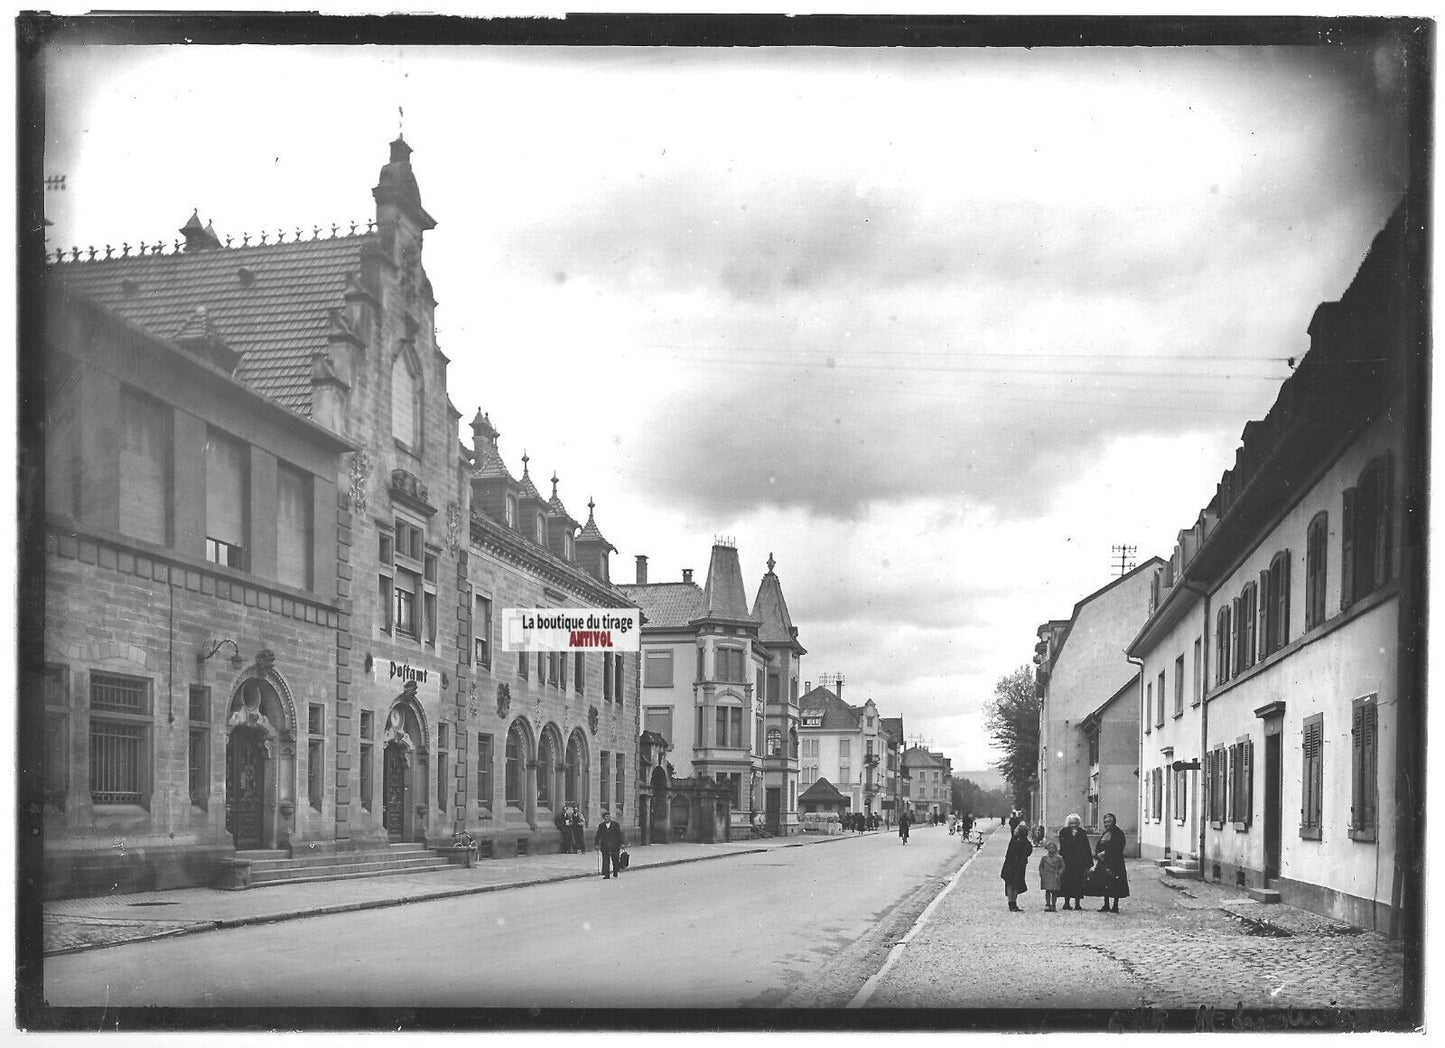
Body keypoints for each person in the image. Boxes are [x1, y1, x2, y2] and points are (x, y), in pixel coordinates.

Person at [1086, 812, 1130, 913]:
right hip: (1103, 862)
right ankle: (1106, 905)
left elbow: (1118, 847)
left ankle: (1115, 905)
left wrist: (1105, 853)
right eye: (1105, 822)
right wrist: (1097, 854)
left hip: (1115, 862)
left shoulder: (1118, 833)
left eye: (1109, 821)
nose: (1107, 824)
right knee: (1104, 883)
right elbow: (1098, 845)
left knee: (1116, 883)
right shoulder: (1105, 833)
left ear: (1114, 821)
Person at [1058, 813, 1092, 911]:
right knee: (1066, 882)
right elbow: (1063, 846)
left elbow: (1086, 847)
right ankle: (1066, 903)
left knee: (1079, 882)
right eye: (1071, 823)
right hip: (1067, 860)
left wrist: (1089, 863)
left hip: (1079, 862)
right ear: (1068, 823)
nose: (1074, 825)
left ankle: (1077, 903)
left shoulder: (1082, 832)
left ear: (1079, 823)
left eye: (1076, 823)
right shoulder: (1064, 832)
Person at [1001, 820, 1034, 911]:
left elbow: (1028, 852)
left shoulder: (1025, 842)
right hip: (1011, 865)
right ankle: (1011, 902)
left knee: (1015, 884)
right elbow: (1009, 853)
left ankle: (1013, 902)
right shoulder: (1014, 840)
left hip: (1019, 866)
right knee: (1010, 884)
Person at [594, 809, 625, 879]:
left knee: (615, 860)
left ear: (610, 817)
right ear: (603, 818)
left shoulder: (615, 824)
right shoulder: (601, 826)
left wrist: (622, 843)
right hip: (605, 846)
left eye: (607, 817)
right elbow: (598, 835)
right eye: (605, 817)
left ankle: (615, 871)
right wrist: (596, 844)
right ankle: (607, 875)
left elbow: (619, 834)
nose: (606, 818)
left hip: (615, 845)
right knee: (606, 861)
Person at [1038, 840, 1065, 912]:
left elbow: (1063, 866)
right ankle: (1047, 904)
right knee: (1047, 891)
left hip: (1055, 875)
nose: (1051, 849)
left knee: (1054, 891)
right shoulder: (1044, 858)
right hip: (1047, 875)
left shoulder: (1059, 858)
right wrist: (1042, 874)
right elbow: (1041, 866)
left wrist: (1059, 873)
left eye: (1052, 848)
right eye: (1049, 848)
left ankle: (1053, 904)